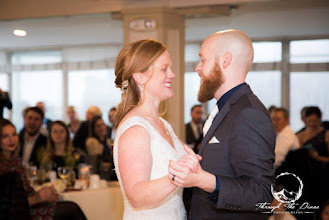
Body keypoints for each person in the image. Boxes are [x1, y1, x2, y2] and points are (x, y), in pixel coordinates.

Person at [168, 29, 275, 219]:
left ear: (225, 61)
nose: (198, 68)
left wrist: (204, 180)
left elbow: (262, 193)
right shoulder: (226, 108)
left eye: (203, 60)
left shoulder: (248, 113)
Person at [113, 39, 199, 219]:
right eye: (164, 69)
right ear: (140, 76)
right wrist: (176, 177)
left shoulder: (162, 124)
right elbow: (136, 195)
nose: (172, 74)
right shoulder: (135, 129)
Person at [0, 118, 86, 220]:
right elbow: (11, 204)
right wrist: (39, 197)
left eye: (14, 134)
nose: (11, 140)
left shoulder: (14, 161)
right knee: (71, 209)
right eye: (5, 136)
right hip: (20, 214)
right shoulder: (6, 166)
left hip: (28, 206)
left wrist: (43, 195)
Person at [296, 106, 329, 210]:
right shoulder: (299, 136)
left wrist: (318, 157)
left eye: (314, 121)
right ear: (304, 120)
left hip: (324, 175)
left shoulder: (326, 134)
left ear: (320, 119)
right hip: (306, 176)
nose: (311, 124)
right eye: (309, 121)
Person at [86, 115, 115, 180]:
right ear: (93, 129)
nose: (102, 128)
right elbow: (97, 160)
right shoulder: (91, 142)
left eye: (103, 125)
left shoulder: (108, 141)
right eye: (98, 126)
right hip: (98, 176)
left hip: (110, 174)